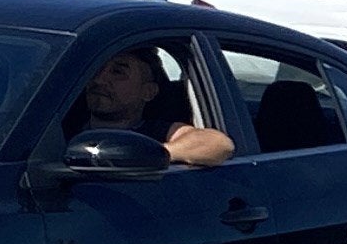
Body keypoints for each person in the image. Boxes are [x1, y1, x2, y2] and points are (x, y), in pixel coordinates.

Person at [76, 44, 234, 167]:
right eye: (97, 69)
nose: (99, 80)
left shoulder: (157, 133)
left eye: (117, 72)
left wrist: (152, 154)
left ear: (148, 92)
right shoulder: (61, 123)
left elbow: (220, 144)